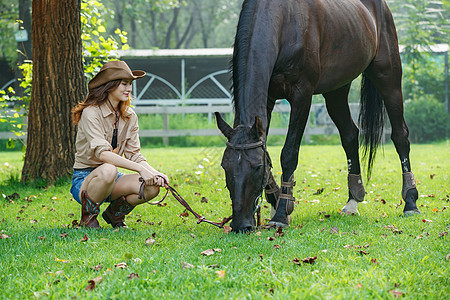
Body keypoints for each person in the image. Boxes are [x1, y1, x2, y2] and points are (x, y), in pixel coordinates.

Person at [70, 60, 168, 229]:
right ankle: (88, 218)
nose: (128, 89)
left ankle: (114, 214)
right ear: (109, 85)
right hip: (85, 179)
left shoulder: (129, 115)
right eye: (123, 84)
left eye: (130, 84)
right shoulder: (91, 112)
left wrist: (154, 173)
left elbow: (135, 155)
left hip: (113, 179)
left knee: (152, 187)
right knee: (109, 168)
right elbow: (103, 155)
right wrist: (140, 170)